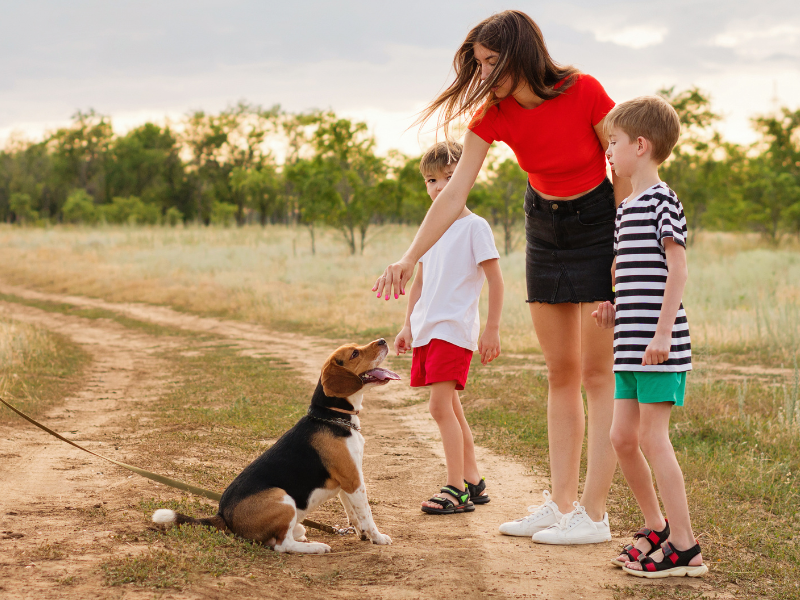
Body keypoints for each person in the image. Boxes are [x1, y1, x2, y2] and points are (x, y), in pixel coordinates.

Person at [374, 10, 630, 543]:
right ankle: (560, 505)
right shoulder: (494, 113)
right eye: (480, 64)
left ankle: (594, 513)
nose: (485, 73)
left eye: (493, 61)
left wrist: (622, 246)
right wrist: (408, 256)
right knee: (560, 371)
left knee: (596, 374)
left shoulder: (584, 90)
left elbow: (622, 168)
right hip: (544, 225)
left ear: (522, 52)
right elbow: (454, 192)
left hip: (599, 223)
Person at [593, 95, 707, 577]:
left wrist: (662, 332)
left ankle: (685, 548)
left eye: (613, 143)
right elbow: (635, 270)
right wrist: (615, 302)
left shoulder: (664, 200)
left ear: (640, 145)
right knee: (622, 437)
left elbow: (676, 268)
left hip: (660, 345)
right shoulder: (626, 207)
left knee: (653, 438)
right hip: (629, 345)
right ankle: (657, 528)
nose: (609, 153)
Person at [394, 140, 504, 515]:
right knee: (452, 407)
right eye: (431, 179)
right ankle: (472, 479)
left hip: (454, 330)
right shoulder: (431, 229)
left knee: (439, 407)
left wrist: (492, 328)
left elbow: (496, 280)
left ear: (467, 178)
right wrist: (407, 325)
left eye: (449, 177)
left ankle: (455, 488)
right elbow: (420, 282)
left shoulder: (475, 227)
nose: (439, 187)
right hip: (428, 328)